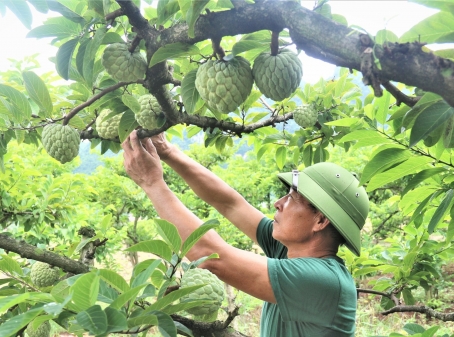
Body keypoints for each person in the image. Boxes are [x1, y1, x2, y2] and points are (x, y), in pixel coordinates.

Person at [122, 130, 370, 337]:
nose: (279, 203)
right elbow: (230, 204)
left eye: (294, 197)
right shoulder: (288, 251)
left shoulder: (324, 281)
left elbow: (211, 256)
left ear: (320, 220)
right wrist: (167, 151)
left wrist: (152, 183)